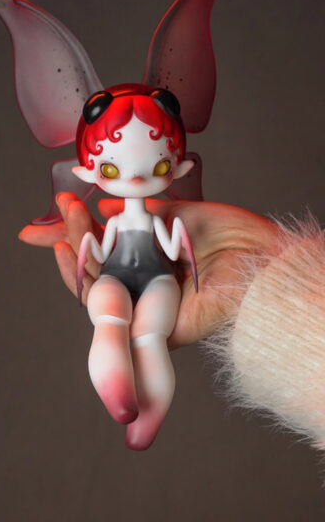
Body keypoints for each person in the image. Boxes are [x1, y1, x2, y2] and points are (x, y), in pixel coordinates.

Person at [19, 193, 325, 452]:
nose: (135, 177)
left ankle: (146, 415)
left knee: (149, 335)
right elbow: (101, 251)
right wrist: (89, 246)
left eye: (160, 166)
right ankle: (116, 389)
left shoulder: (154, 223)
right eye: (111, 169)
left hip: (160, 279)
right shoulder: (116, 223)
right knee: (108, 314)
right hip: (114, 275)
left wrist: (187, 241)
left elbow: (169, 249)